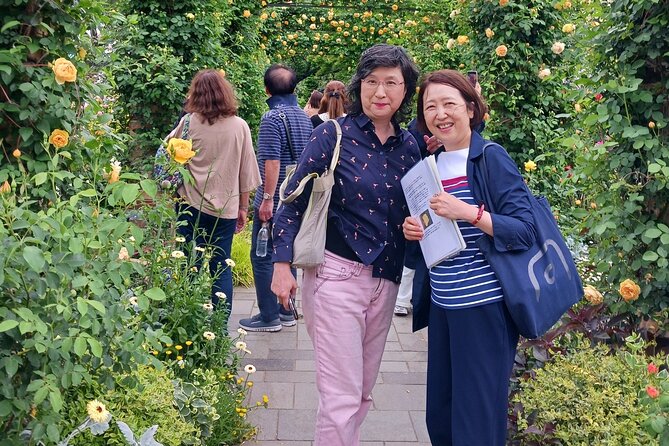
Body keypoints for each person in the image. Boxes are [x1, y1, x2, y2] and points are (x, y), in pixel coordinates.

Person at [271, 44, 420, 446]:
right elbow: (291, 199)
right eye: (372, 81)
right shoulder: (332, 135)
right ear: (359, 86)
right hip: (336, 277)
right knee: (340, 397)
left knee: (362, 393)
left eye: (392, 82)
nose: (380, 91)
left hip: (386, 281)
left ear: (406, 91)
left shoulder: (411, 147)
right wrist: (281, 267)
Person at [402, 69, 535, 445]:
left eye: (449, 104)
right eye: (431, 107)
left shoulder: (490, 158)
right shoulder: (428, 167)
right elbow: (427, 246)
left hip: (484, 307)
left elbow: (523, 229)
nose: (440, 114)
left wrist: (468, 211)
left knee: (476, 421)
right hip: (444, 307)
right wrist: (413, 233)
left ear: (471, 108)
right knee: (441, 418)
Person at [172, 69, 261, 319]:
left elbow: (168, 154)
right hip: (225, 209)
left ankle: (187, 321)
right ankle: (220, 328)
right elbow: (246, 173)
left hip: (189, 205)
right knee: (221, 267)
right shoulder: (239, 126)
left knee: (189, 265)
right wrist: (244, 208)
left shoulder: (188, 123)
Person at [238, 64, 313, 332]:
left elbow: (272, 161)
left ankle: (268, 315)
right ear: (294, 88)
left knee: (262, 255)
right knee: (285, 253)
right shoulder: (304, 117)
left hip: (275, 198)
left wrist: (267, 199)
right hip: (297, 197)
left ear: (266, 89)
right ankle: (287, 311)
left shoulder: (272, 118)